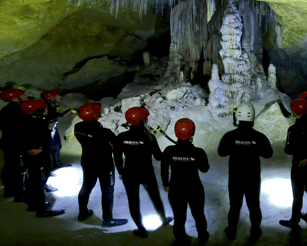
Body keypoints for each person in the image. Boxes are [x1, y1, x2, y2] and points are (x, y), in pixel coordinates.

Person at [113, 107, 173, 238]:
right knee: (155, 197)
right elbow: (158, 157)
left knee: (133, 202)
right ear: (143, 120)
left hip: (129, 173)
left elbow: (117, 156)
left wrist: (120, 171)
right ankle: (163, 220)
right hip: (146, 173)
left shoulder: (121, 137)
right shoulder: (149, 137)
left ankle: (141, 229)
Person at [218, 103, 273, 241]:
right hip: (253, 178)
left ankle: (231, 231)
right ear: (252, 118)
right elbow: (268, 153)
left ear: (238, 117)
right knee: (254, 205)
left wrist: (235, 146)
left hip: (236, 178)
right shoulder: (259, 136)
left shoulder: (230, 136)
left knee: (235, 206)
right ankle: (255, 231)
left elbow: (221, 152)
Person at [73, 102, 128, 227]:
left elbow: (92, 141)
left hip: (87, 162)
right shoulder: (105, 132)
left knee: (86, 187)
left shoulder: (78, 127)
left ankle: (82, 213)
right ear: (96, 116)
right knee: (107, 190)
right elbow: (118, 147)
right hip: (104, 165)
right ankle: (108, 219)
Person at [161, 118, 210, 246]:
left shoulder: (169, 151)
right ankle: (203, 236)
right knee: (199, 215)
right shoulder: (198, 152)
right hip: (195, 188)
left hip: (176, 189)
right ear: (192, 133)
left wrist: (165, 183)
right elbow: (205, 169)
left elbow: (164, 168)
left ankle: (181, 241)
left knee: (179, 218)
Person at [279, 98, 307, 229]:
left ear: (296, 113)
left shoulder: (293, 129)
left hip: (299, 166)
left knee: (297, 194)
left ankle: (294, 221)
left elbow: (288, 150)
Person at [20, 99, 65, 218]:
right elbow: (42, 139)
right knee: (40, 182)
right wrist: (40, 146)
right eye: (43, 109)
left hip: (29, 156)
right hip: (39, 158)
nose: (45, 111)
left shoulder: (26, 120)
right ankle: (41, 210)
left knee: (32, 179)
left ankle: (33, 204)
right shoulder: (36, 124)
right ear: (36, 111)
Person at [0, 88, 28, 202]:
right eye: (23, 95)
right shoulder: (18, 109)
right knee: (18, 168)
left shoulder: (7, 109)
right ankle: (19, 194)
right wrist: (14, 132)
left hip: (7, 142)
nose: (25, 96)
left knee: (9, 166)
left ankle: (8, 190)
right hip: (15, 143)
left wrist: (8, 131)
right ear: (15, 98)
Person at [40, 90, 73, 169]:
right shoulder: (45, 106)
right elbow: (45, 118)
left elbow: (52, 115)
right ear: (51, 97)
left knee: (57, 145)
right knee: (49, 147)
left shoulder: (52, 105)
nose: (60, 97)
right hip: (49, 128)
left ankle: (56, 163)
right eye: (57, 96)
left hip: (53, 127)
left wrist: (63, 114)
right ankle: (46, 167)